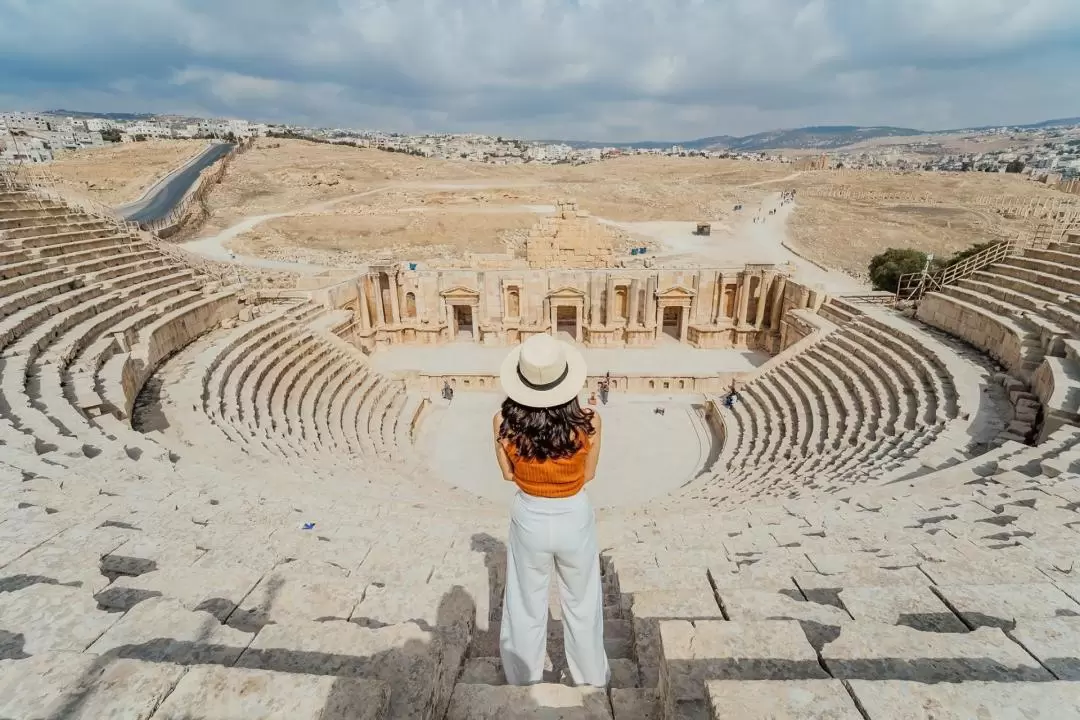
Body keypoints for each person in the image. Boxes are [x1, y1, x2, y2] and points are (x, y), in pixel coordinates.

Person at [494, 334, 609, 687]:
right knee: (582, 602)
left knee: (525, 602)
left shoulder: (503, 422)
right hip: (573, 515)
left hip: (529, 515)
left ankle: (522, 680)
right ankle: (591, 679)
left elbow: (507, 474)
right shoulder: (590, 422)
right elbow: (589, 474)